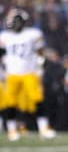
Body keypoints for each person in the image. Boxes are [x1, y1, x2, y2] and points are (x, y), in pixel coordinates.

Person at [1, 8, 57, 141]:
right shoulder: (4, 36)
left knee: (37, 100)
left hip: (29, 72)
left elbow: (40, 52)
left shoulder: (33, 34)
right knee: (10, 103)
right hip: (12, 73)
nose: (14, 24)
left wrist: (40, 67)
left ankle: (43, 128)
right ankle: (12, 130)